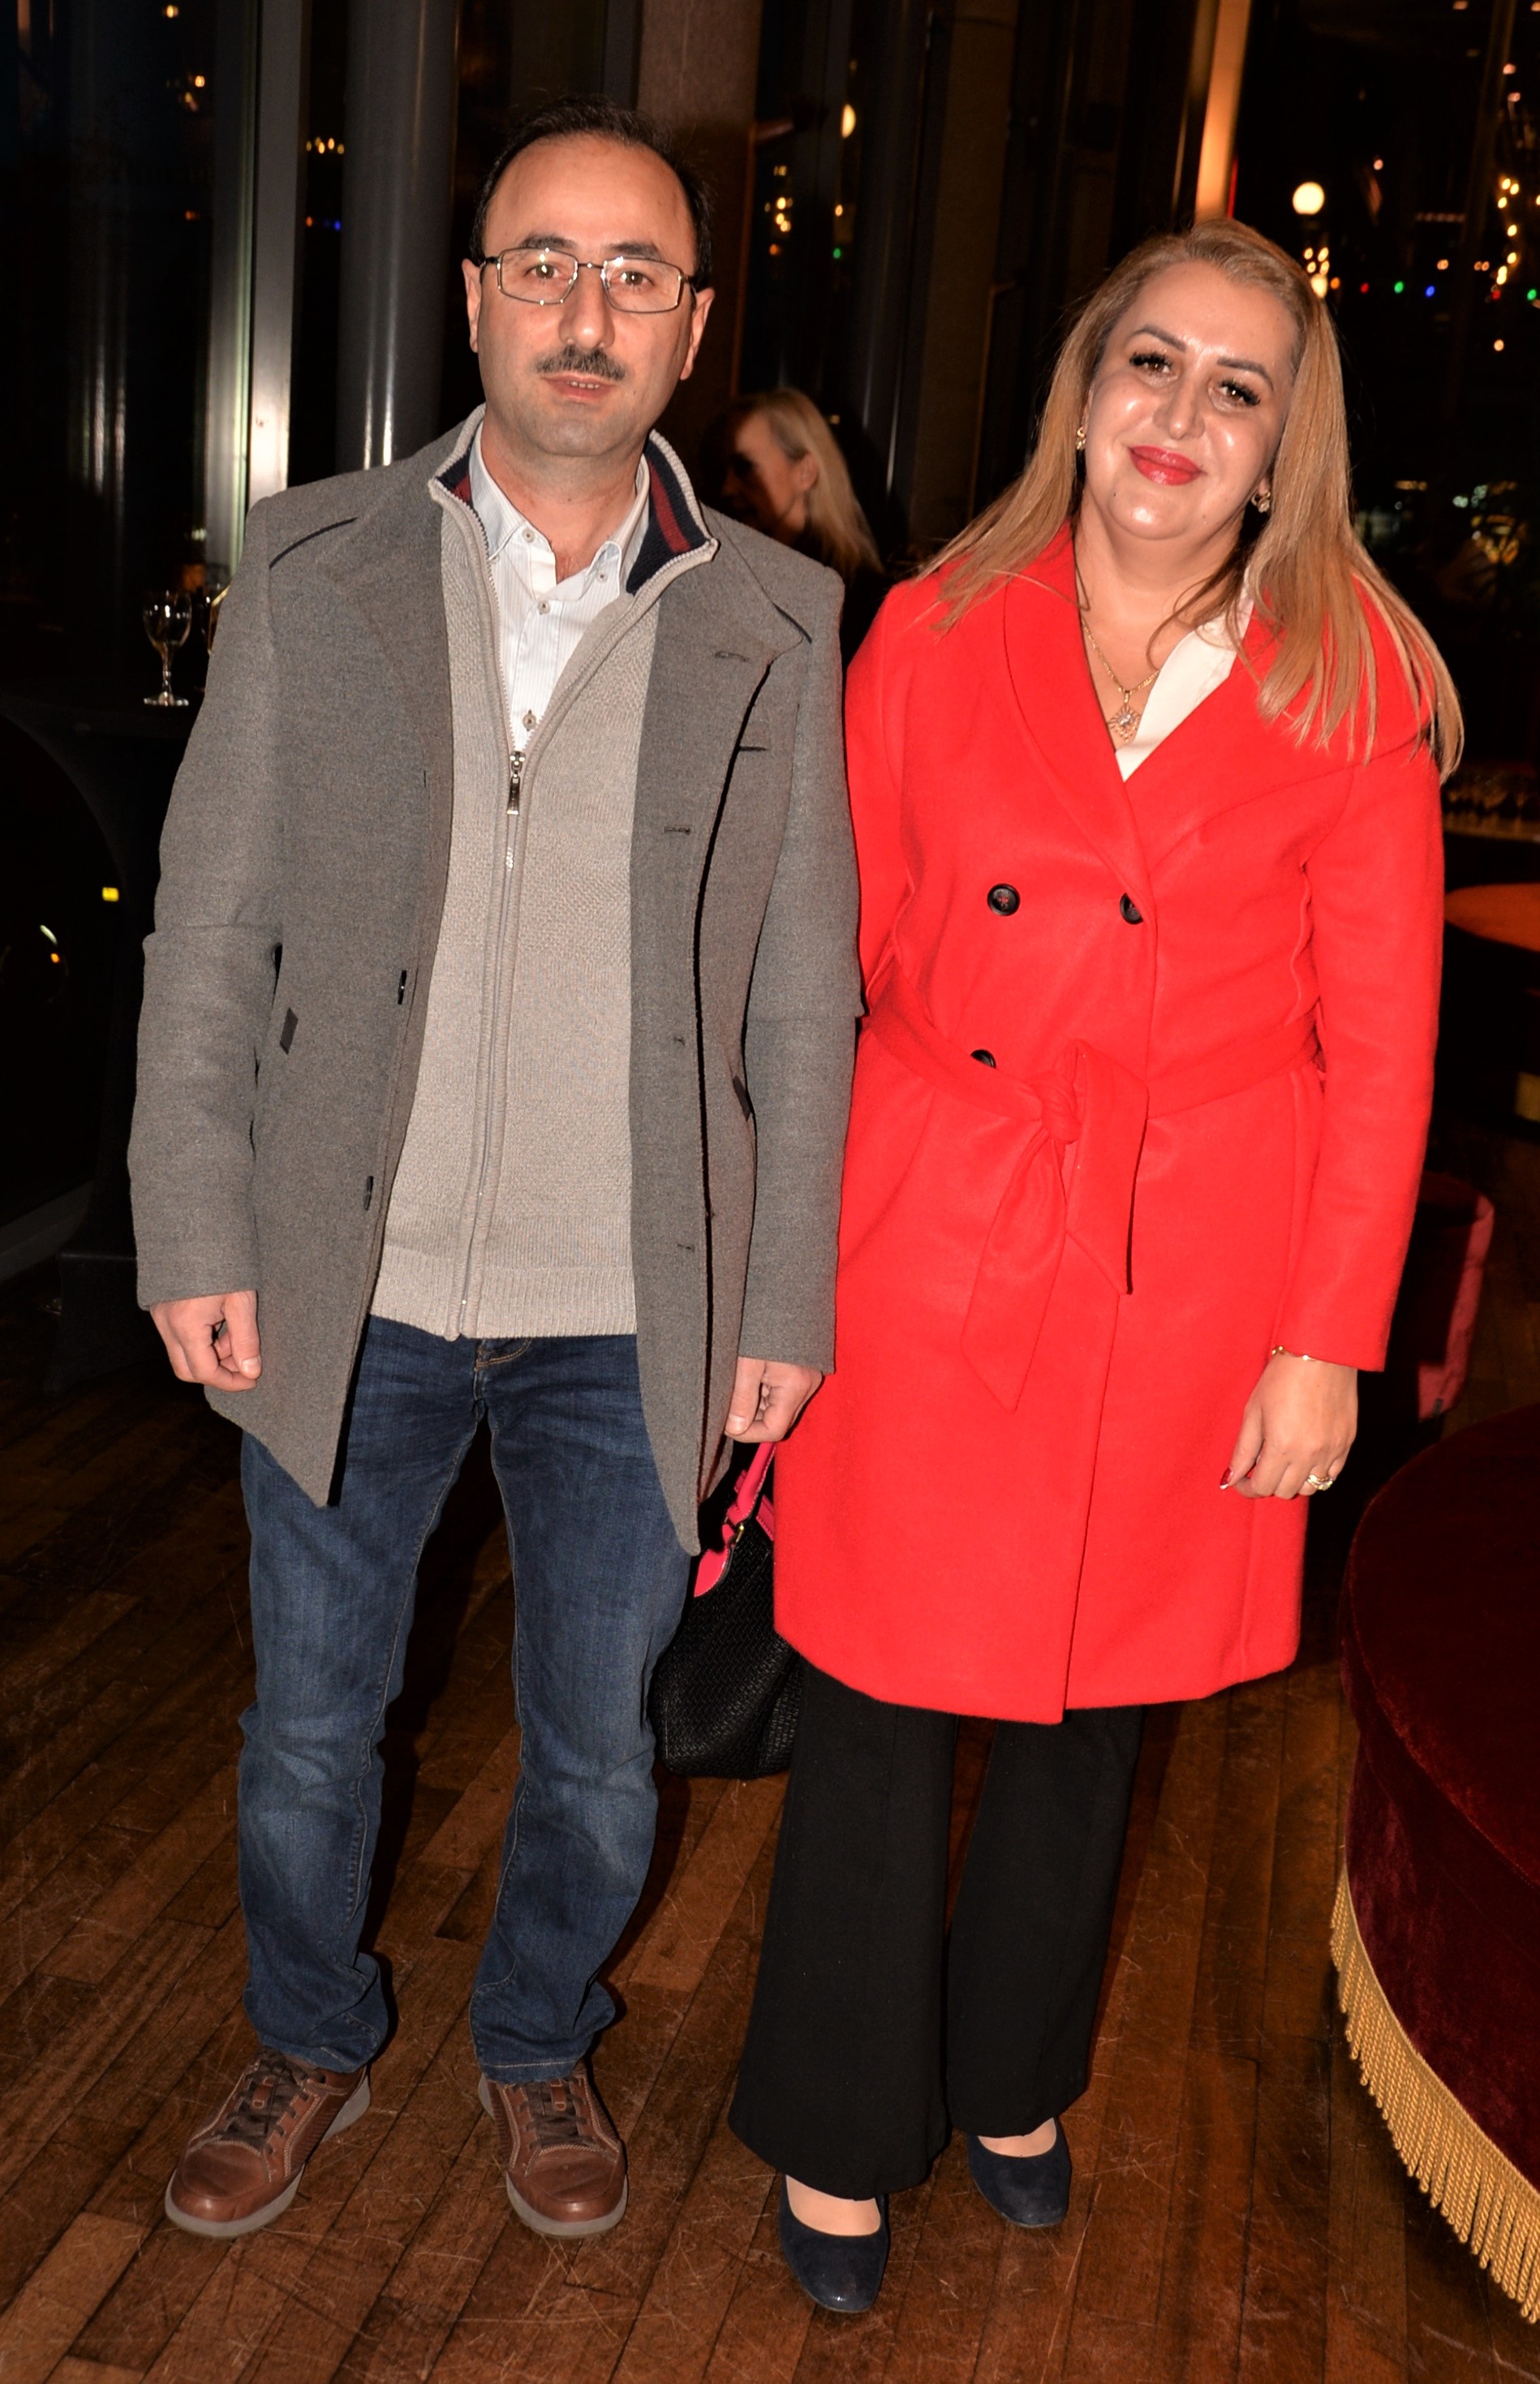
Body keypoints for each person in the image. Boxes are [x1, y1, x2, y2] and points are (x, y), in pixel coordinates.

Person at [130, 96, 859, 2246]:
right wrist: (191, 1223)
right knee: (306, 1738)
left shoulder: (780, 618)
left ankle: (537, 2039)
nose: (583, 309)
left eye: (634, 273)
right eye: (543, 262)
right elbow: (209, 929)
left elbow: (801, 998)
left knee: (603, 1753)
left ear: (692, 326)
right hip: (337, 1277)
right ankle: (308, 2035)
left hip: (631, 1299)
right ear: (472, 299)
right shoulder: (315, 562)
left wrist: (783, 1301)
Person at [728, 217, 1457, 2312]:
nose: (1180, 416)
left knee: (1094, 1700)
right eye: (1151, 362)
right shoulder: (933, 629)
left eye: (1237, 388)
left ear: (1282, 446)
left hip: (1197, 1255)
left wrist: (1325, 1338)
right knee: (877, 1686)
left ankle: (1014, 2077)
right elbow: (826, 967)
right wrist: (782, 1272)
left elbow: (1383, 1049)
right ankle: (842, 2122)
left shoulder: (1351, 687)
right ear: (1083, 385)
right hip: (932, 1208)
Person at [709, 388, 888, 661]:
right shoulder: (726, 570)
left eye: (746, 467)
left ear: (805, 472)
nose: (727, 488)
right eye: (721, 471)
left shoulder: (856, 597)